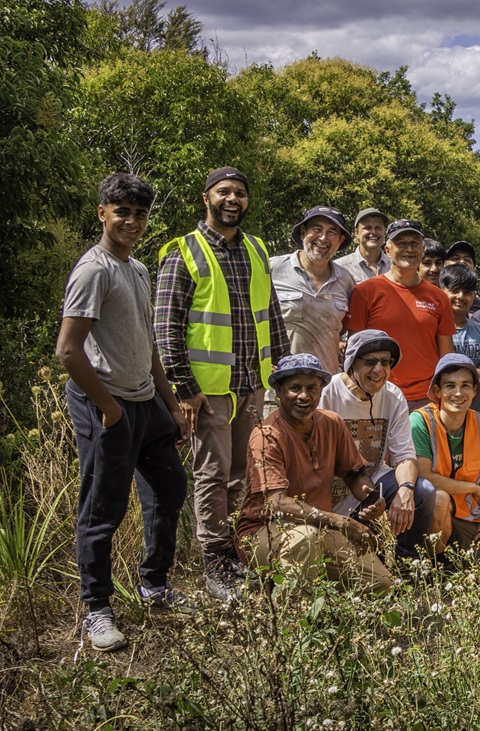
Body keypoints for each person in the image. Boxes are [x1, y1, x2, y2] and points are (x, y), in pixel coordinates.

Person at [59, 172, 191, 650]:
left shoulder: (135, 269)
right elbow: (68, 350)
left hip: (144, 400)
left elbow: (149, 344)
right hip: (107, 403)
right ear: (103, 213)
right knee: (103, 508)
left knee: (170, 485)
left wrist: (171, 405)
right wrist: (108, 407)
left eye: (139, 213)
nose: (132, 221)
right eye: (123, 212)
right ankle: (96, 609)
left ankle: (154, 585)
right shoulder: (94, 270)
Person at [153, 165, 290, 599]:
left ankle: (235, 551)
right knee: (211, 474)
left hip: (252, 384)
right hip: (207, 390)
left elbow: (272, 317)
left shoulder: (254, 248)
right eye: (224, 192)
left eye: (240, 193)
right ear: (206, 197)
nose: (233, 200)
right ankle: (214, 561)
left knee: (242, 473)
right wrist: (185, 389)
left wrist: (283, 376)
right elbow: (165, 328)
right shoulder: (183, 252)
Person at [238, 354, 391, 593]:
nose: (304, 396)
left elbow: (354, 474)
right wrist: (341, 522)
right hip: (263, 532)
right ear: (278, 391)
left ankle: (322, 602)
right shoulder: (267, 434)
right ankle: (292, 616)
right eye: (295, 388)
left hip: (317, 528)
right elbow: (276, 503)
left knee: (380, 584)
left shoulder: (332, 423)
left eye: (312, 388)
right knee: (306, 538)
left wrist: (371, 498)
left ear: (321, 391)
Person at [318, 331, 440, 560]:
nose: (379, 370)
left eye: (385, 362)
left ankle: (406, 567)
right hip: (327, 490)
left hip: (372, 482)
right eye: (370, 362)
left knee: (423, 492)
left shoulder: (393, 396)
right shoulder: (327, 392)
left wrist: (406, 489)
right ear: (351, 362)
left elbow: (404, 455)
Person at [413, 355, 480, 564]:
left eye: (465, 386)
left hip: (468, 520)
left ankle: (456, 568)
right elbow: (424, 476)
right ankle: (434, 567)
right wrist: (473, 488)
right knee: (439, 499)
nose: (458, 393)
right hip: (424, 519)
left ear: (474, 392)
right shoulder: (420, 422)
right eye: (450, 386)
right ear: (437, 391)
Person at [342, 219, 455, 408]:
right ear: (387, 250)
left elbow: (446, 355)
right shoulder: (366, 291)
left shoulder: (439, 297)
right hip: (377, 394)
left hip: (426, 398)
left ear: (423, 249)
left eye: (414, 243)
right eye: (401, 243)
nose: (409, 249)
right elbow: (354, 351)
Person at [269, 206, 356, 373]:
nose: (323, 238)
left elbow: (345, 327)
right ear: (303, 232)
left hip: (324, 386)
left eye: (331, 232)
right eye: (317, 229)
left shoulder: (346, 281)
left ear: (340, 240)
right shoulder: (273, 269)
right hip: (278, 385)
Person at [439, 264, 480, 412]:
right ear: (441, 291)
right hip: (440, 411)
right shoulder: (433, 330)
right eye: (454, 291)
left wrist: (457, 371)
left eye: (467, 292)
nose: (460, 296)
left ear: (474, 296)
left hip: (475, 413)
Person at [334, 207, 389, 283]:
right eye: (368, 227)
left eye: (378, 227)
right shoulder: (339, 268)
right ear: (357, 233)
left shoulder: (396, 267)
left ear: (384, 232)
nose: (373, 232)